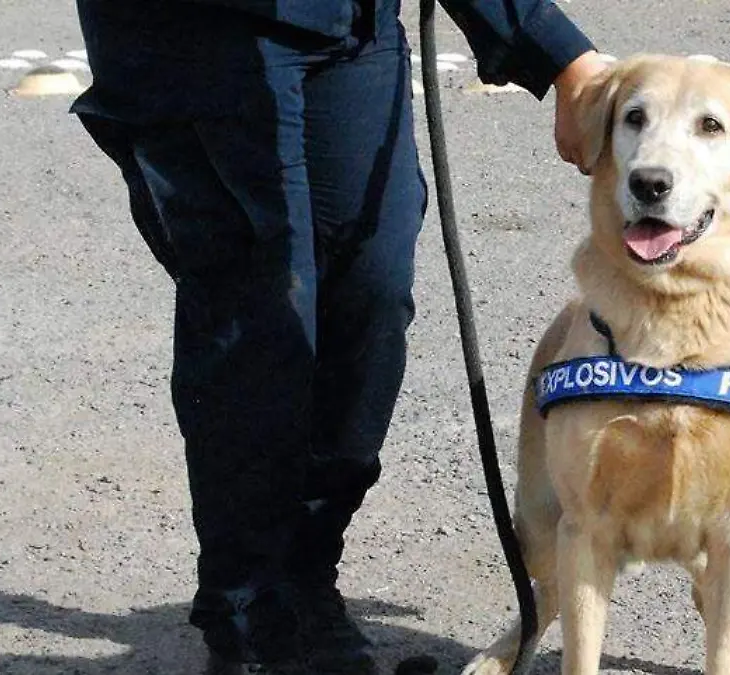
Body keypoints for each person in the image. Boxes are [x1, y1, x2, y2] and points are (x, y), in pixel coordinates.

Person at [69, 1, 609, 673]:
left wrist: (561, 57)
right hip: (194, 38)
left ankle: (302, 570)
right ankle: (250, 611)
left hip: (344, 26)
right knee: (259, 316)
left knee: (373, 287)